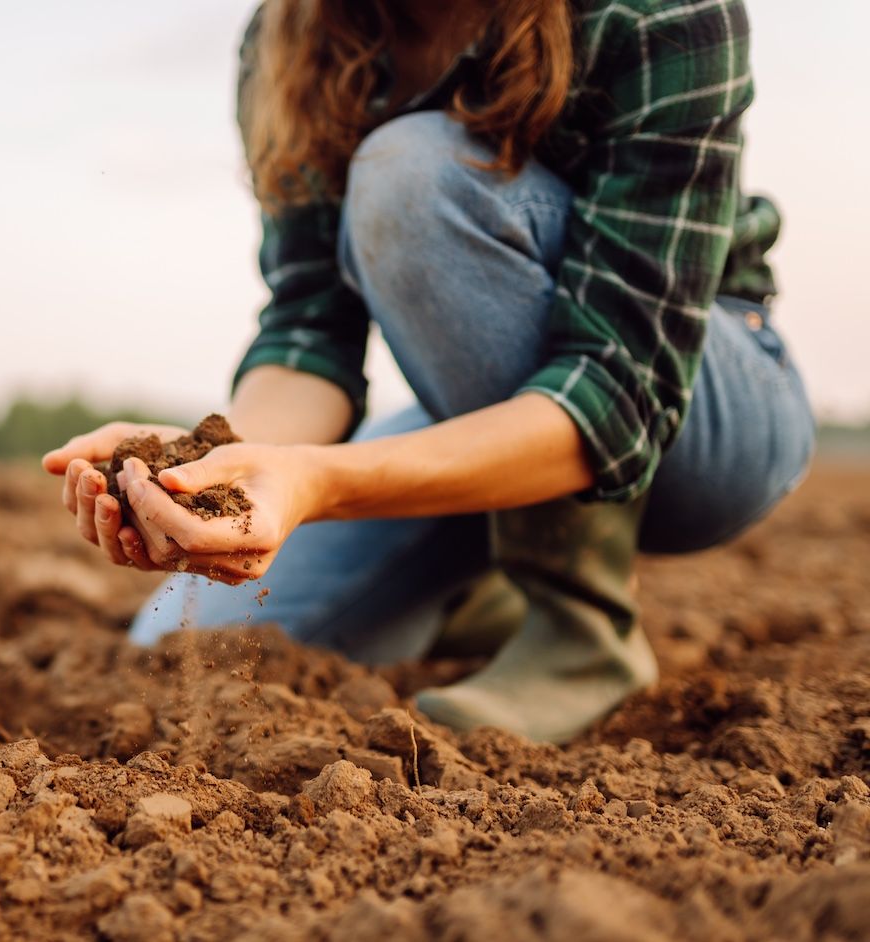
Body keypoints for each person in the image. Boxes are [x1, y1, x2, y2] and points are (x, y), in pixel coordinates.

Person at [42, 0, 813, 743]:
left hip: (700, 399)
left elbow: (620, 391)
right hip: (489, 414)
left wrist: (321, 483)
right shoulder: (293, 31)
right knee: (179, 638)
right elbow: (311, 325)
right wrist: (217, 467)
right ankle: (488, 597)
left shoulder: (652, 9)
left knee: (409, 177)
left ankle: (579, 629)